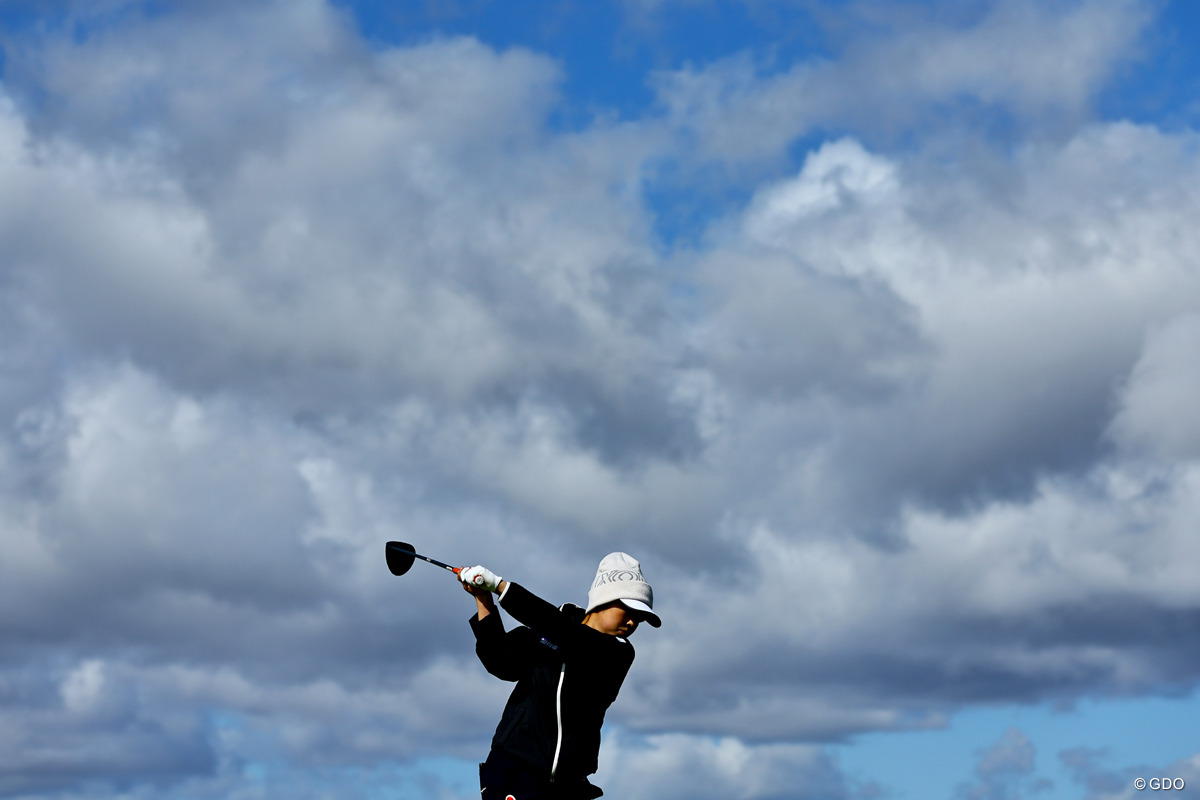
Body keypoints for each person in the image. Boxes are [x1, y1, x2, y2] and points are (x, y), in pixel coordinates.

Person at [459, 552, 661, 800]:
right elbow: (501, 662)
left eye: (639, 618)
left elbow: (567, 635)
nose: (632, 623)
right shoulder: (549, 630)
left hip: (569, 785)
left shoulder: (618, 653)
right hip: (512, 771)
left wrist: (500, 586)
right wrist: (483, 598)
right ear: (604, 599)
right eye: (628, 610)